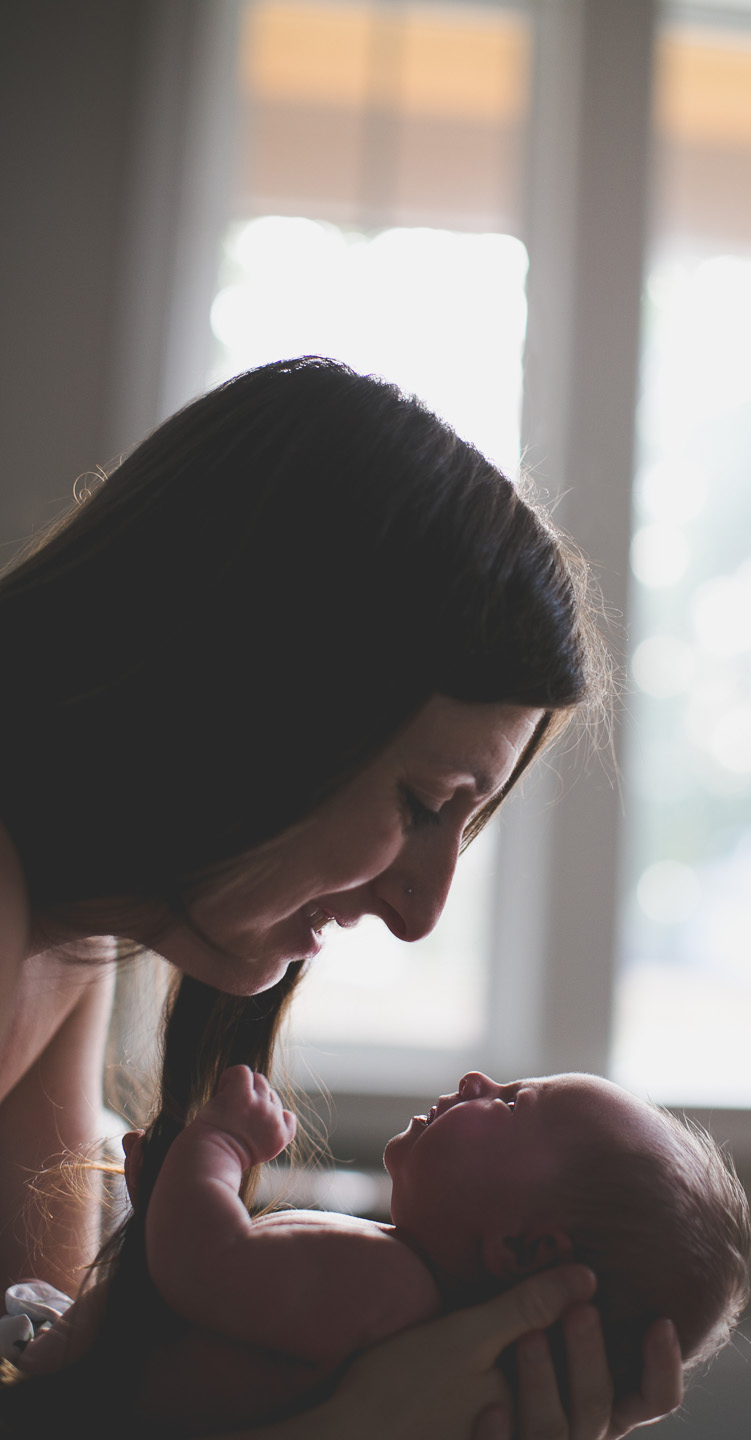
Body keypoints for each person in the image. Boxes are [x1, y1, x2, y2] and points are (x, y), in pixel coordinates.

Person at [0, 357, 684, 1438]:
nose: (420, 912)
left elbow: (42, 1377)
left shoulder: (73, 935)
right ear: (252, 690)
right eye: (424, 804)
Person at [55, 1063, 744, 1433]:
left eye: (512, 1103)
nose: (478, 1080)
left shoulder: (380, 1286)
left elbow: (205, 1266)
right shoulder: (404, 1316)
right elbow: (193, 1307)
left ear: (521, 1248)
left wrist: (220, 1145)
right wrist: (166, 1207)